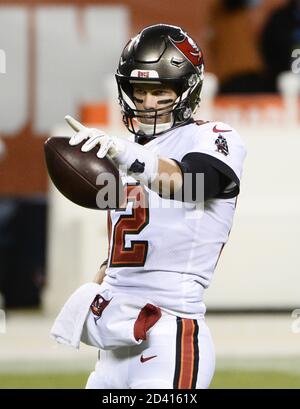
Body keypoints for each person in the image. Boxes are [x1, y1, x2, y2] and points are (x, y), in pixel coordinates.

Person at [52, 24, 246, 389]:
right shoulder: (123, 152)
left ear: (186, 90)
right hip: (116, 335)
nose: (147, 103)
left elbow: (194, 183)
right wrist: (97, 287)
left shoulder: (213, 137)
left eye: (160, 92)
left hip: (170, 331)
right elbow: (127, 246)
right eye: (139, 91)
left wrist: (128, 156)